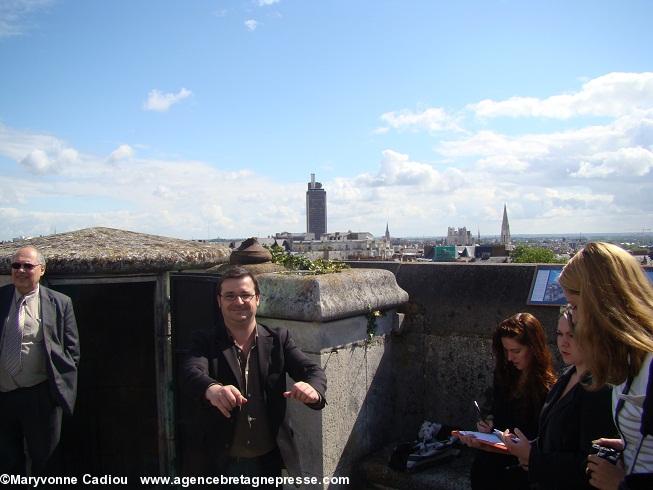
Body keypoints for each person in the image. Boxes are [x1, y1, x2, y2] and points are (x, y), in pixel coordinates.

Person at [180, 266, 327, 483]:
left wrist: (312, 388)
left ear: (257, 298)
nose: (238, 302)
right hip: (220, 464)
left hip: (267, 462)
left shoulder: (279, 339)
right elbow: (190, 371)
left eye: (245, 295)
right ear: (219, 301)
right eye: (230, 295)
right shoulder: (205, 340)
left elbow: (311, 370)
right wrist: (212, 388)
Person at [558, 242, 653, 490]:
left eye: (576, 307)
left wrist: (621, 484)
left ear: (600, 304)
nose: (574, 319)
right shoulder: (630, 359)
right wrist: (629, 444)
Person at [503, 306, 617, 489]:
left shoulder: (600, 389)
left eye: (571, 335)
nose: (563, 343)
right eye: (559, 334)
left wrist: (533, 458)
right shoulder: (566, 376)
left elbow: (590, 462)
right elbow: (552, 438)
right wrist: (521, 447)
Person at [0, 246, 80, 475]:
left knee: (45, 463)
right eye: (16, 265)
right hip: (3, 397)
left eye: (28, 265)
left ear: (42, 270)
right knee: (7, 462)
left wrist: (58, 389)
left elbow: (72, 350)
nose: (21, 270)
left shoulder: (60, 303)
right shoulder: (1, 298)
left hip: (40, 397)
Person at [459, 313, 556, 490]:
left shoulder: (546, 389)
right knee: (484, 468)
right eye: (506, 351)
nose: (510, 358)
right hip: (495, 459)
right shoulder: (505, 375)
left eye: (516, 351)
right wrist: (488, 425)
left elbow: (541, 438)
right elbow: (499, 415)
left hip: (521, 465)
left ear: (534, 349)